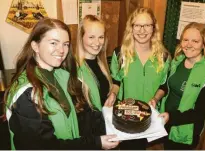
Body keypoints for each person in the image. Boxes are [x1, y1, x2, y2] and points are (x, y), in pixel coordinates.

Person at [4, 18, 119, 150]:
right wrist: (96, 143)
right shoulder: (26, 93)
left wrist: (118, 122)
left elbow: (83, 115)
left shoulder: (61, 76)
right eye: (54, 43)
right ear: (35, 46)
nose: (61, 50)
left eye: (65, 44)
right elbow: (45, 147)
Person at [149, 22, 205, 150]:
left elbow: (199, 113)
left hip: (185, 130)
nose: (189, 45)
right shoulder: (177, 61)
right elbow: (166, 85)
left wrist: (171, 116)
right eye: (185, 40)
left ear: (203, 44)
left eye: (195, 41)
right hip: (166, 122)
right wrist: (156, 98)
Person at [110, 7, 170, 150]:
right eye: (137, 25)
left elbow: (164, 86)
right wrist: (113, 93)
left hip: (149, 116)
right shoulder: (120, 54)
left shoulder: (164, 56)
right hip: (127, 116)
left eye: (147, 25)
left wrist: (155, 99)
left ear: (154, 28)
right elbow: (116, 81)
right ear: (131, 27)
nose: (142, 30)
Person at [76, 15, 119, 111]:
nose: (97, 42)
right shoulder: (75, 70)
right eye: (91, 37)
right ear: (81, 37)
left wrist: (112, 95)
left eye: (101, 37)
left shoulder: (101, 64)